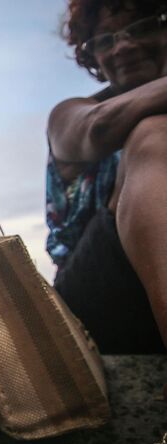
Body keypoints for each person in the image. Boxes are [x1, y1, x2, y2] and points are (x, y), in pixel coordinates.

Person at [46, 0, 167, 355]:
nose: (123, 46)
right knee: (153, 136)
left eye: (143, 27)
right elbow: (97, 128)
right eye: (105, 41)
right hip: (96, 294)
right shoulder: (72, 113)